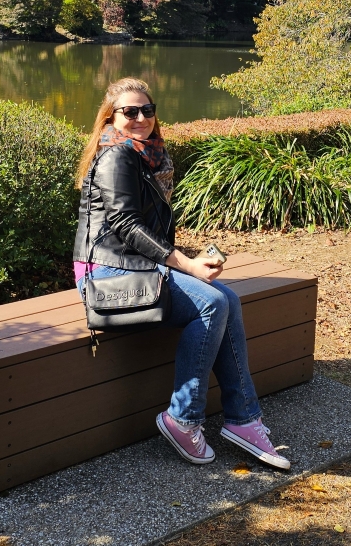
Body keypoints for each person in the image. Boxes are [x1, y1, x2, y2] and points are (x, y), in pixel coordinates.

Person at [74, 77, 290, 469]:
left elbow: (149, 233)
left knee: (227, 298)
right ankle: (183, 418)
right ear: (110, 116)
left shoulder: (147, 156)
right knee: (211, 303)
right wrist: (186, 265)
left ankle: (243, 419)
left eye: (148, 110)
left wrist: (190, 261)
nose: (141, 118)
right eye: (130, 111)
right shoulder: (117, 156)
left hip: (138, 264)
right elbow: (125, 226)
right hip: (105, 272)